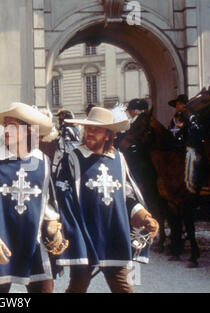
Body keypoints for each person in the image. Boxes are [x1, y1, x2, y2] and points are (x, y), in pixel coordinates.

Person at [53, 107, 159, 293]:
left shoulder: (119, 159)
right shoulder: (73, 159)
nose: (89, 133)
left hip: (114, 235)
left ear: (109, 135)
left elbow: (127, 197)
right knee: (77, 288)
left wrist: (143, 216)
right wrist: (66, 230)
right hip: (86, 235)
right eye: (88, 129)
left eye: (96, 130)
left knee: (124, 288)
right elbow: (63, 197)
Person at [0, 102, 68, 293]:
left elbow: (46, 201)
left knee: (44, 289)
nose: (6, 130)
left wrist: (51, 223)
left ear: (27, 131)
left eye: (12, 126)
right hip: (2, 238)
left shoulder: (43, 162)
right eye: (5, 125)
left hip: (35, 241)